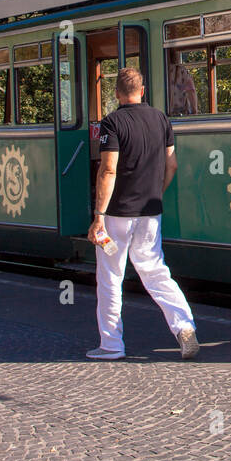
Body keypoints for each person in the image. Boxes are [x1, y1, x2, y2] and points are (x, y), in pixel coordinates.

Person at [86, 66, 199, 361]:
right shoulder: (160, 119)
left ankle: (111, 345)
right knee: (156, 272)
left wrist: (99, 215)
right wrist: (156, 194)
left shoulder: (112, 122)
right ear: (142, 91)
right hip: (151, 212)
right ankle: (184, 327)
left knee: (111, 278)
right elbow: (172, 165)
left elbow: (108, 169)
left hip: (118, 213)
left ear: (116, 94)